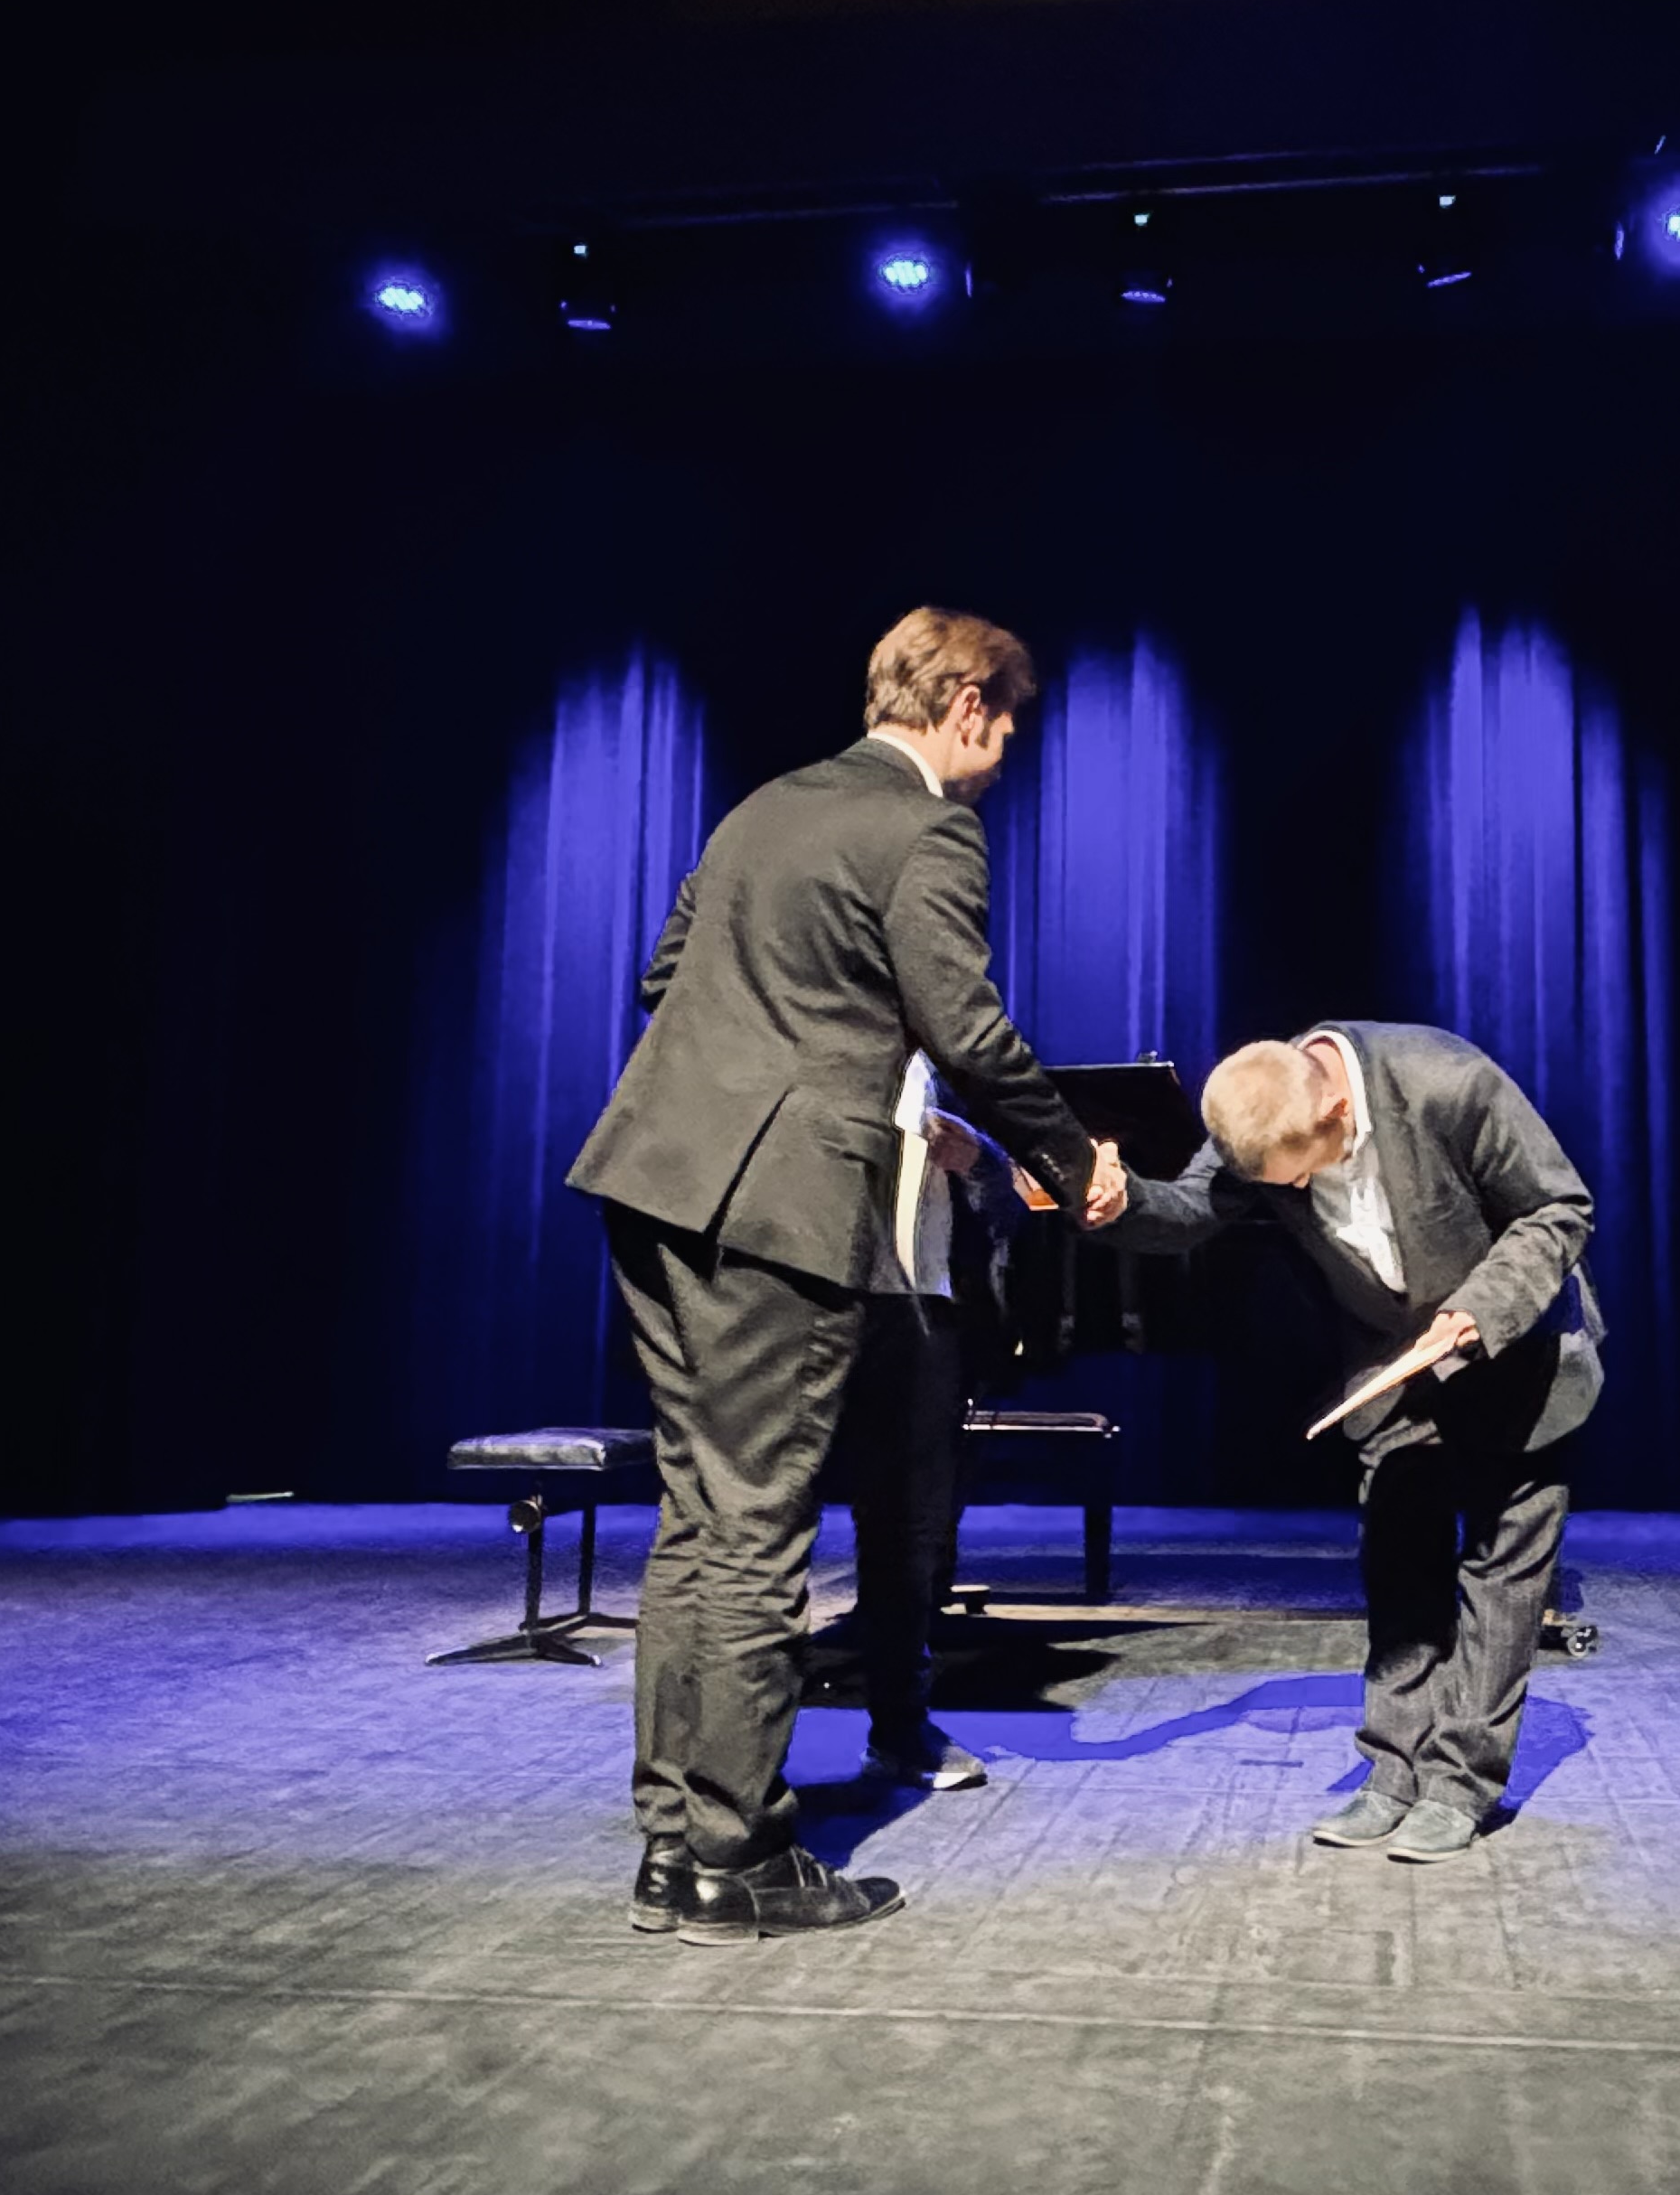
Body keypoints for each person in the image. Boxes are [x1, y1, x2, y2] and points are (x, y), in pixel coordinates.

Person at [566, 608, 1123, 1946]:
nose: (1005, 752)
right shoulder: (927, 829)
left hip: (655, 1178)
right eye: (1006, 724)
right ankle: (741, 1860)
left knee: (701, 1523)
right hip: (778, 1207)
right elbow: (967, 1026)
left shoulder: (762, 807)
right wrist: (1070, 1158)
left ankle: (675, 1846)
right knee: (760, 1528)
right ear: (968, 703)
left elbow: (664, 978)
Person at [1089, 1022, 1599, 1862]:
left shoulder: (1448, 1084)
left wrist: (1476, 1312)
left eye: (1299, 1173)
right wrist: (1118, 1201)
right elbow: (1191, 1210)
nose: (1291, 1190)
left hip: (1515, 1347)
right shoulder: (1265, 1108)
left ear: (1333, 1111)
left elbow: (1557, 1208)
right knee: (1399, 1567)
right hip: (1392, 1367)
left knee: (1502, 1574)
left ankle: (1461, 1783)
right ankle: (1393, 1771)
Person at [833, 1062, 1027, 1794]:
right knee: (765, 1520)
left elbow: (1010, 1203)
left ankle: (900, 1726)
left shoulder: (943, 1066)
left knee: (908, 1527)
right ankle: (742, 1748)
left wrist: (978, 1158)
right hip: (809, 1301)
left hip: (918, 1306)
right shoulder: (809, 1036)